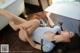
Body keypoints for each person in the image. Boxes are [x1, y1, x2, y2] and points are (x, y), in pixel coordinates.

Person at [0, 9, 74, 52]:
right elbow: (52, 24)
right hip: (28, 25)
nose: (67, 30)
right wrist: (48, 16)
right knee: (11, 16)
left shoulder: (49, 47)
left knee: (37, 22)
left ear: (68, 40)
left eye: (70, 33)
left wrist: (27, 37)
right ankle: (16, 26)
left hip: (25, 35)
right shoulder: (57, 28)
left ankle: (16, 27)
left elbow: (35, 45)